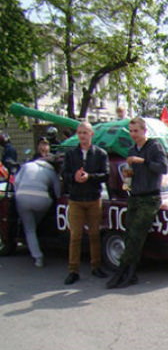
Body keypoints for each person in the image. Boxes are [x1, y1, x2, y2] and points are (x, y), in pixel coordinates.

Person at [106, 117, 168, 289]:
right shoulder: (132, 149)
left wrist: (144, 162)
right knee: (129, 233)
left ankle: (124, 271)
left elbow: (163, 168)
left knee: (136, 235)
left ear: (144, 130)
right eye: (131, 131)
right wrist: (127, 178)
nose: (134, 134)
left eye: (136, 131)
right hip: (134, 196)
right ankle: (129, 272)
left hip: (150, 197)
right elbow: (130, 175)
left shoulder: (154, 146)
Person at [62, 121, 109, 285]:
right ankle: (73, 270)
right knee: (75, 236)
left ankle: (96, 266)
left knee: (95, 234)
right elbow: (64, 174)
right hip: (75, 200)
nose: (82, 136)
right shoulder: (70, 154)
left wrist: (90, 177)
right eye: (79, 133)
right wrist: (73, 177)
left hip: (93, 199)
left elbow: (105, 175)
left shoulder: (101, 154)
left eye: (85, 133)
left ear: (91, 134)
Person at [14, 157, 61, 267]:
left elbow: (16, 181)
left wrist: (18, 192)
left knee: (29, 229)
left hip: (22, 198)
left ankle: (38, 257)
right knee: (35, 223)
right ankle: (38, 235)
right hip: (42, 200)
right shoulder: (52, 172)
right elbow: (58, 192)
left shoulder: (27, 165)